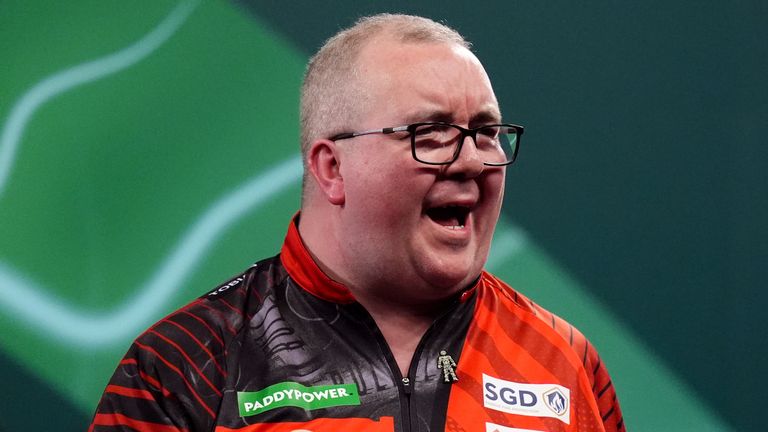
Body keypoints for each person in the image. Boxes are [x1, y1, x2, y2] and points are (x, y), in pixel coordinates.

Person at [89, 13, 624, 432]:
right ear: (332, 167)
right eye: (431, 133)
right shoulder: (183, 366)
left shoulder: (564, 361)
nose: (471, 161)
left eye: (485, 132)